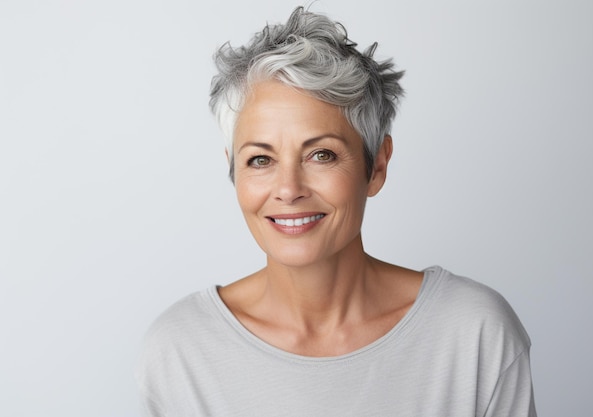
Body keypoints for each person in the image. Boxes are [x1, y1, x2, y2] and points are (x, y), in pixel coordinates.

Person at [136, 6, 536, 417]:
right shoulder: (180, 351)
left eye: (321, 154)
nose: (289, 190)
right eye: (260, 159)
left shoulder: (473, 334)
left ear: (376, 166)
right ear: (233, 170)